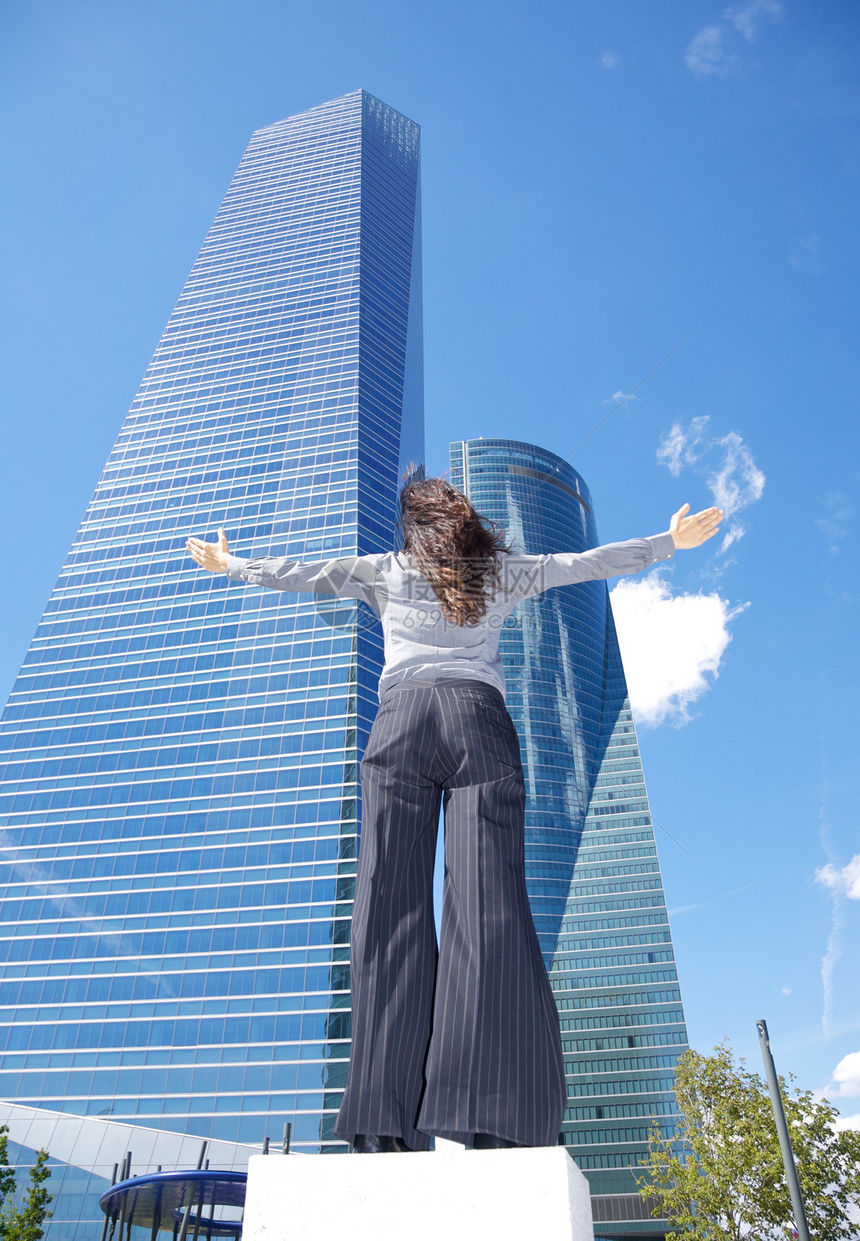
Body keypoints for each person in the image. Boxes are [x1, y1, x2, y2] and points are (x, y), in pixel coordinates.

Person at [187, 481, 721, 1153]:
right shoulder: (500, 570)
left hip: (400, 727)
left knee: (387, 911)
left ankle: (386, 1126)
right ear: (463, 523)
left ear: (409, 525)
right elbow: (588, 564)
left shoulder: (383, 568)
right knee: (488, 901)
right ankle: (491, 1116)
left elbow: (300, 575)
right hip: (478, 722)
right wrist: (669, 543)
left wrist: (231, 564)